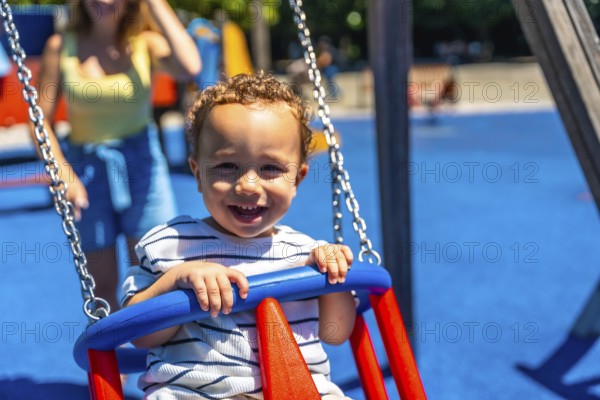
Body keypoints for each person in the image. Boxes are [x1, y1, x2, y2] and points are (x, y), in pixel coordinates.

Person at [122, 73, 356, 399]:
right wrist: (175, 280)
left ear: (298, 177)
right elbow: (138, 333)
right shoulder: (170, 245)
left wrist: (334, 277)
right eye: (227, 166)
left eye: (270, 168)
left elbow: (337, 332)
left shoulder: (307, 253)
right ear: (198, 172)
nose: (247, 185)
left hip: (298, 390)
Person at [35, 0, 201, 312]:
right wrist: (62, 172)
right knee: (102, 286)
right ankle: (109, 359)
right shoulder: (61, 46)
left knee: (154, 273)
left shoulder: (145, 44)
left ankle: (157, 355)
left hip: (143, 164)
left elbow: (190, 66)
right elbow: (39, 118)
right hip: (86, 169)